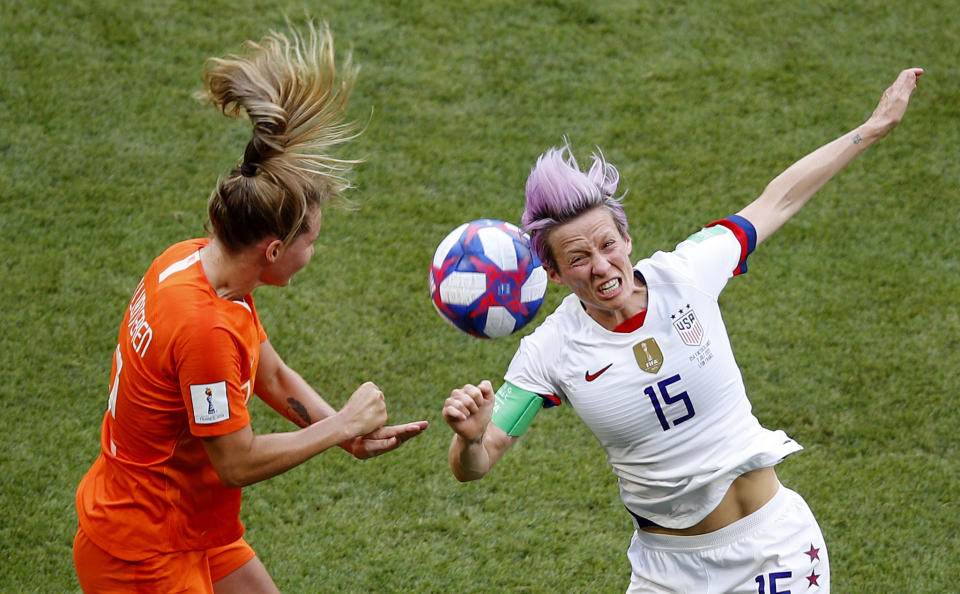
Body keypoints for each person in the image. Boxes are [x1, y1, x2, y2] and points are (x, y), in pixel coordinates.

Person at [442, 68, 923, 593]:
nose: (601, 267)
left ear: (627, 239)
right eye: (578, 258)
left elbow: (778, 199)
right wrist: (468, 440)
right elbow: (477, 463)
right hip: (669, 572)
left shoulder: (687, 272)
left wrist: (873, 127)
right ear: (553, 275)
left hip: (774, 550)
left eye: (607, 245)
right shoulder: (550, 351)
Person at [73, 22, 428, 593]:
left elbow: (271, 371)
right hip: (145, 554)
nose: (315, 250)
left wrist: (346, 434)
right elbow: (234, 461)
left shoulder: (193, 263)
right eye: (311, 240)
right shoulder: (204, 329)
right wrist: (339, 426)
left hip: (184, 525)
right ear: (273, 249)